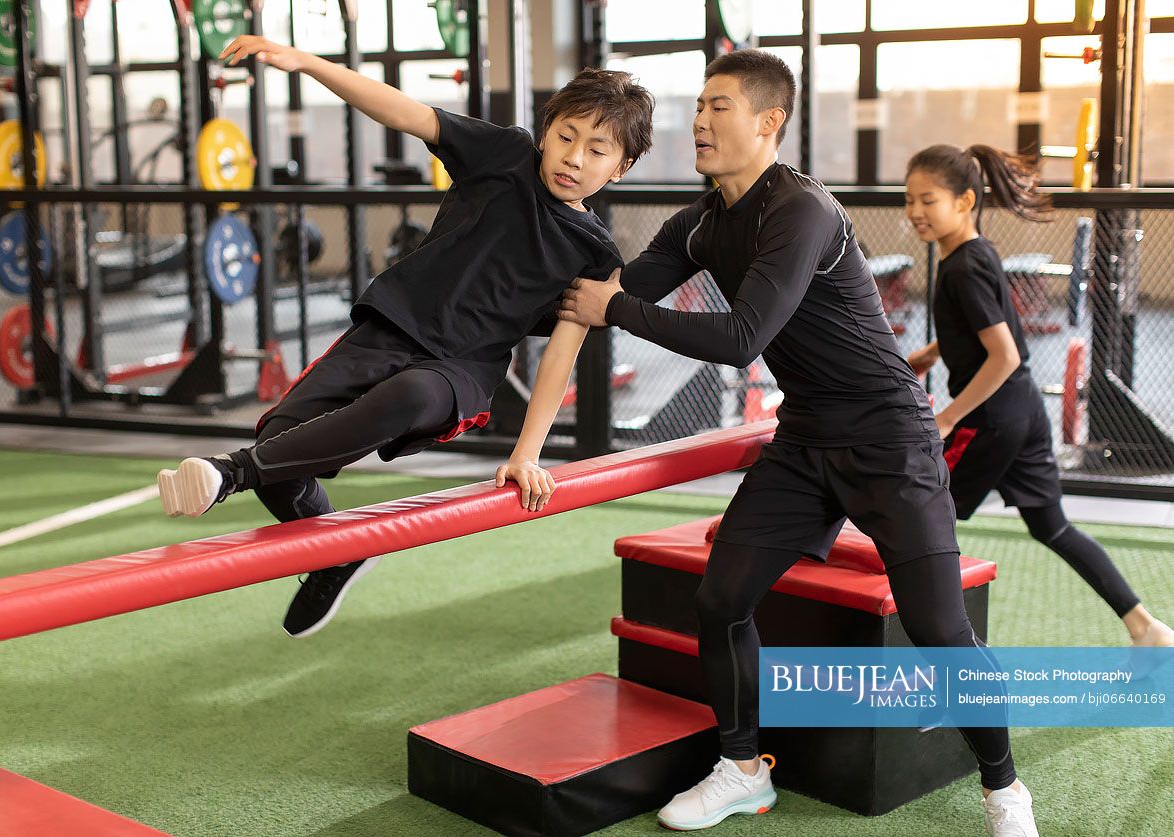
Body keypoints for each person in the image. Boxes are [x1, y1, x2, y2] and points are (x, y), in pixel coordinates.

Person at [558, 50, 1038, 835]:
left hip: (889, 438)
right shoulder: (702, 222)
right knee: (718, 599)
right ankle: (742, 768)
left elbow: (742, 334)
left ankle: (1003, 788)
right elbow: (616, 287)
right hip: (805, 441)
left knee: (938, 630)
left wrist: (610, 308)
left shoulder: (802, 209)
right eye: (698, 107)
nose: (700, 122)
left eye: (718, 105)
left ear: (767, 120)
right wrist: (550, 239)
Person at [156, 35, 653, 639]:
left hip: (461, 370)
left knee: (413, 396)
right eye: (567, 136)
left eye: (597, 150)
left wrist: (526, 453)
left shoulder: (595, 255)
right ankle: (335, 553)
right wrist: (311, 63)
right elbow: (403, 110)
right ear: (546, 131)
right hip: (390, 325)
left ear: (621, 166)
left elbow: (560, 354)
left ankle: (227, 474)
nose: (574, 157)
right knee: (283, 444)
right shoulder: (505, 153)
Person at [904, 143, 1174, 649]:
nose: (916, 211)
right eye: (910, 199)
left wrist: (946, 418)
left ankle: (941, 656)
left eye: (928, 200)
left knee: (919, 523)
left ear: (964, 201)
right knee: (1052, 527)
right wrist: (934, 352)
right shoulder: (976, 252)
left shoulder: (962, 268)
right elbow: (986, 331)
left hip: (990, 420)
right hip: (1024, 411)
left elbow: (1001, 356)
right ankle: (1146, 626)